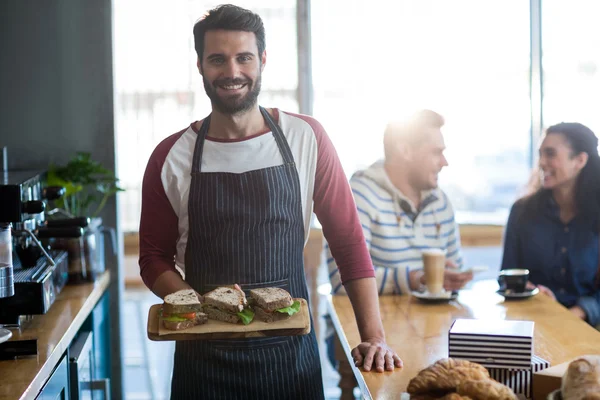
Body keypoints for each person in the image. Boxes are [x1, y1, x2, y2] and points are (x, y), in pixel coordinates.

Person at [138, 4, 402, 399]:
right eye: (217, 59)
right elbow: (153, 257)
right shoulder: (170, 155)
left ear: (262, 60)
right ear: (199, 66)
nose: (232, 72)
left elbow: (347, 241)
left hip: (291, 363)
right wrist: (195, 306)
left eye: (243, 57)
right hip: (202, 363)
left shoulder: (306, 138)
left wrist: (375, 337)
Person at [327, 110, 473, 296]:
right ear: (405, 150)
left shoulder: (441, 202)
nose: (444, 162)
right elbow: (342, 281)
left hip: (433, 322)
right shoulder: (359, 195)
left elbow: (454, 274)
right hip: (378, 323)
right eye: (436, 152)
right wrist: (415, 278)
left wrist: (452, 278)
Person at [501, 122, 600, 327]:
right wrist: (529, 291)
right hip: (532, 324)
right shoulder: (521, 212)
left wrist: (575, 313)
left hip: (587, 328)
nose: (542, 162)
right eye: (540, 154)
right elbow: (506, 275)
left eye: (550, 154)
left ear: (580, 160)